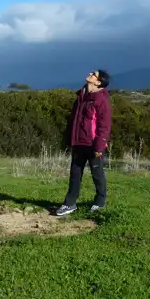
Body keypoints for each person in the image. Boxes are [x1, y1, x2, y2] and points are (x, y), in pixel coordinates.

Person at [55, 69, 112, 216]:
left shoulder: (101, 100)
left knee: (97, 174)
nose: (90, 74)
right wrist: (69, 139)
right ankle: (69, 204)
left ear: (98, 82)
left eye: (94, 74)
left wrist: (99, 146)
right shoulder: (81, 97)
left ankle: (99, 202)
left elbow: (104, 125)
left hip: (93, 144)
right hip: (78, 142)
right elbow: (73, 121)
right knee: (75, 174)